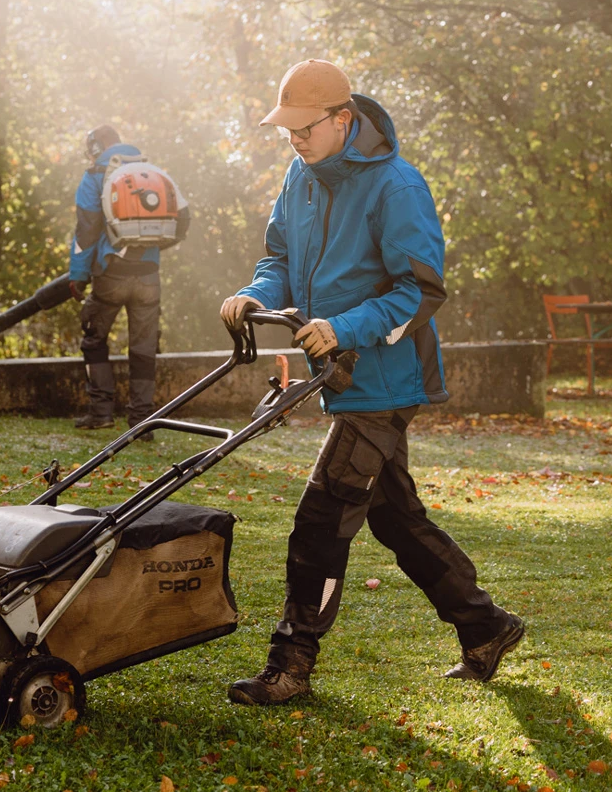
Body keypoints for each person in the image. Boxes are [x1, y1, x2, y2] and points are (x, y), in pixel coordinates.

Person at [218, 59, 525, 705]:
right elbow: (279, 257)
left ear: (342, 119)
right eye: (287, 129)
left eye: (305, 128)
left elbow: (422, 290)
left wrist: (345, 328)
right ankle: (486, 626)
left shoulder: (395, 186)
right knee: (395, 518)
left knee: (322, 517)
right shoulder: (299, 179)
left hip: (387, 378)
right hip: (342, 372)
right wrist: (254, 295)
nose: (294, 140)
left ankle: (291, 664)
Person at [69, 125, 189, 438]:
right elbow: (184, 219)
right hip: (149, 273)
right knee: (144, 347)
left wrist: (78, 276)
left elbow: (86, 233)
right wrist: (154, 248)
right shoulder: (151, 171)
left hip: (111, 273)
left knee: (94, 338)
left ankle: (100, 412)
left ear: (96, 146)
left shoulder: (96, 174)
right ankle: (142, 421)